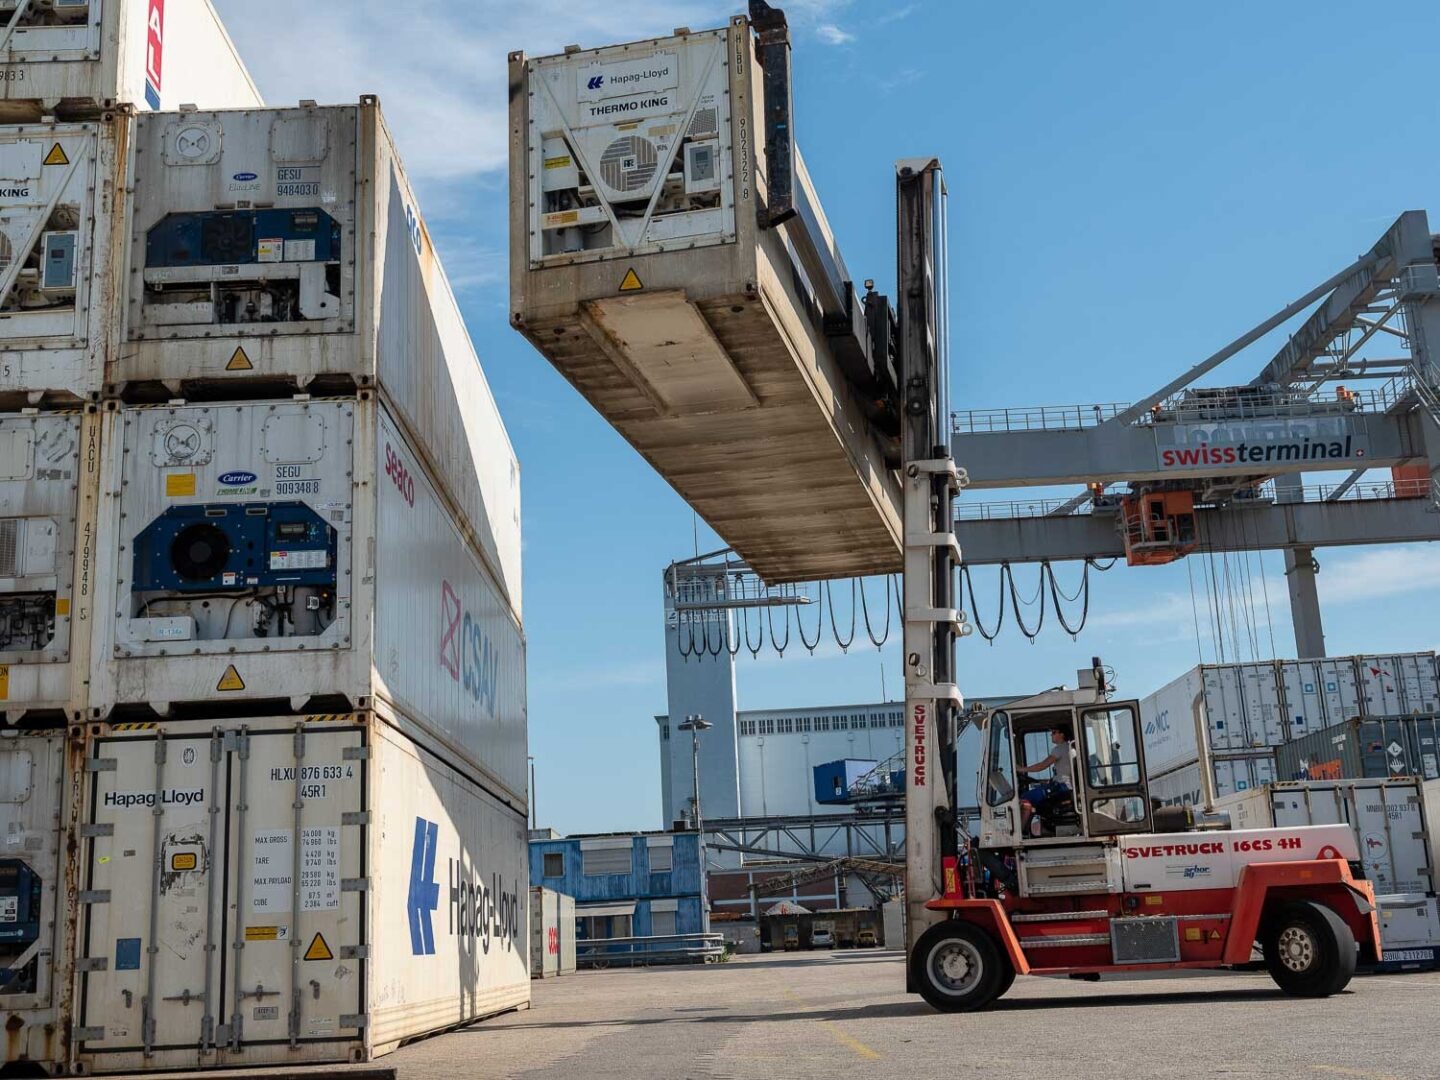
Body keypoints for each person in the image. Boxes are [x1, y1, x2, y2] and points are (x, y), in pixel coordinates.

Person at [1017, 727, 1075, 834]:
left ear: (1062, 735)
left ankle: (1020, 832)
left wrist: (1022, 769)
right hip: (1065, 787)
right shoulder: (1070, 748)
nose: (1051, 735)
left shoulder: (1059, 749)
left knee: (1025, 799)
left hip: (1060, 788)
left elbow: (1042, 765)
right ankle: (1032, 829)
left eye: (1054, 732)